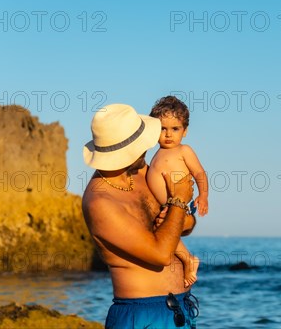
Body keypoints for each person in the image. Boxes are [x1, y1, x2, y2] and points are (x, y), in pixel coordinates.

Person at [82, 104, 199, 328]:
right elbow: (160, 254)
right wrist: (178, 200)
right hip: (141, 315)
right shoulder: (101, 202)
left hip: (180, 309)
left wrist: (183, 216)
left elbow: (185, 224)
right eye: (141, 144)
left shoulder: (143, 172)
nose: (149, 148)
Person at [147, 96, 209, 288]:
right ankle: (181, 266)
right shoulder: (156, 155)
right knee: (162, 234)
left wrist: (203, 195)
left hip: (180, 204)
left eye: (175, 129)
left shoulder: (184, 151)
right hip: (166, 206)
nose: (168, 134)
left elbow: (199, 173)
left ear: (185, 131)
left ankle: (189, 260)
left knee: (165, 232)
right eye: (162, 128)